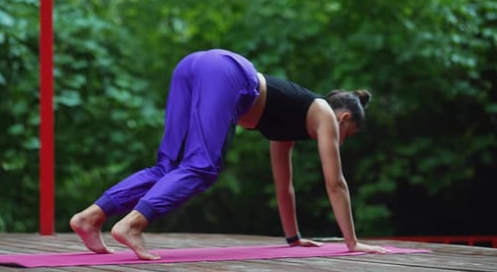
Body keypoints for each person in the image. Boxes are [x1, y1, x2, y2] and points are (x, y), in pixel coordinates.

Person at [70, 49, 389, 260]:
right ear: (344, 119)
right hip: (227, 72)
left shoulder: (293, 120)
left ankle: (89, 218)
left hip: (193, 65)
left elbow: (284, 186)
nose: (341, 142)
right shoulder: (324, 115)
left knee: (170, 165)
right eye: (347, 135)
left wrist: (293, 238)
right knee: (202, 167)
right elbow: (336, 184)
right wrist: (353, 243)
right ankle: (132, 226)